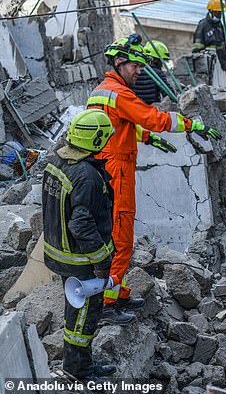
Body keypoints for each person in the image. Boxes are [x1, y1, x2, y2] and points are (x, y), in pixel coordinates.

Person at [87, 34, 222, 325]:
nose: (139, 71)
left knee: (115, 233)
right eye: (135, 66)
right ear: (119, 62)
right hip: (117, 169)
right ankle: (108, 305)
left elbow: (120, 124)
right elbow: (151, 117)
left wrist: (148, 139)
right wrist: (189, 124)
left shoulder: (104, 90)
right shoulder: (120, 94)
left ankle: (117, 290)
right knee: (121, 237)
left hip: (105, 166)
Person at [42, 109, 117, 381]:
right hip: (80, 260)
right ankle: (78, 372)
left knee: (75, 314)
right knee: (83, 317)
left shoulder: (55, 161)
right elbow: (81, 226)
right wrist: (101, 261)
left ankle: (80, 363)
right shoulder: (86, 176)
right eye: (105, 138)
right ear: (95, 142)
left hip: (59, 253)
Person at [193, 0, 226, 75]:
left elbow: (224, 47)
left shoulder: (220, 25)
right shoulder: (203, 25)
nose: (219, 15)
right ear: (210, 11)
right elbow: (197, 48)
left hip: (220, 63)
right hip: (208, 63)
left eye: (220, 12)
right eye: (217, 12)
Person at [131, 40, 173, 105]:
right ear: (155, 60)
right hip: (150, 110)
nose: (161, 64)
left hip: (133, 107)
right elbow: (170, 94)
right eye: (161, 61)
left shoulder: (134, 71)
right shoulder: (158, 73)